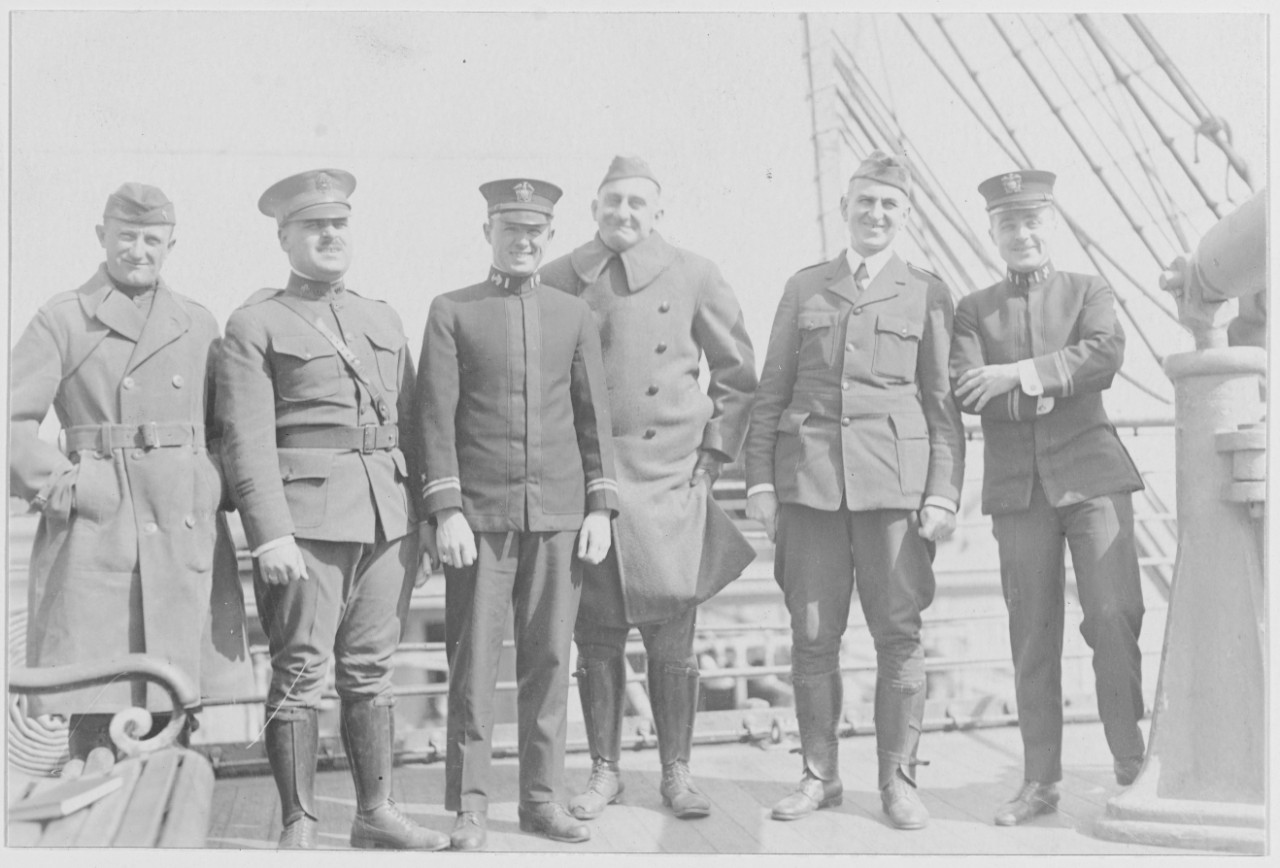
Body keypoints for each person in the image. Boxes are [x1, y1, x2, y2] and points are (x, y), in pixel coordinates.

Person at [217, 169, 447, 851]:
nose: (329, 236)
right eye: (313, 226)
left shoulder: (382, 316)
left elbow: (411, 421)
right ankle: (300, 822)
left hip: (388, 516)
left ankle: (375, 811)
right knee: (300, 670)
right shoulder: (256, 322)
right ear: (284, 237)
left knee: (372, 667)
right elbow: (247, 442)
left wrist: (426, 518)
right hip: (306, 522)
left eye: (339, 224)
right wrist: (269, 534)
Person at [744, 151, 964, 830]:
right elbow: (771, 390)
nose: (875, 214)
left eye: (888, 205)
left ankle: (898, 781)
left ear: (905, 215)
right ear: (846, 208)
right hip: (809, 487)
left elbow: (941, 407)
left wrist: (943, 493)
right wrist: (759, 481)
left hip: (894, 491)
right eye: (865, 202)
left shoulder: (926, 292)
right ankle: (819, 777)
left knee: (899, 634)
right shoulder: (806, 287)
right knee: (812, 636)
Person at [540, 155, 757, 821]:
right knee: (596, 637)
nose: (624, 214)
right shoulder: (559, 277)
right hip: (592, 485)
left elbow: (738, 374)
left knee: (672, 638)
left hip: (670, 480)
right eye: (613, 202)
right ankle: (604, 772)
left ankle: (677, 772)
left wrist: (714, 460)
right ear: (594, 207)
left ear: (658, 211)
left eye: (638, 203)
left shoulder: (694, 273)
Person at [9, 183, 251, 762]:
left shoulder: (197, 322)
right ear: (102, 237)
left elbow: (224, 425)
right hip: (100, 532)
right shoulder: (63, 318)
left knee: (173, 700)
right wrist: (69, 485)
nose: (138, 250)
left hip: (181, 525)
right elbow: (12, 422)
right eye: (126, 237)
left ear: (171, 244)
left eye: (151, 239)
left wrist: (208, 479)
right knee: (98, 701)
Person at [417, 177, 618, 850]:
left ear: (549, 236)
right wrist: (446, 510)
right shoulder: (453, 310)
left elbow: (594, 421)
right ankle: (471, 806)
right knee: (474, 664)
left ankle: (540, 799)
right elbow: (435, 421)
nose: (523, 240)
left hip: (559, 516)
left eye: (535, 231)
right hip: (480, 520)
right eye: (511, 230)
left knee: (551, 663)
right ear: (488, 234)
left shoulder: (573, 314)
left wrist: (600, 506)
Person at [950, 169, 1146, 826]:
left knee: (1114, 616)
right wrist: (1043, 379)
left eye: (1032, 221)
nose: (1022, 234)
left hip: (1092, 477)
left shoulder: (1088, 290)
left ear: (1050, 224)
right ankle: (1040, 781)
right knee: (1032, 632)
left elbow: (1104, 357)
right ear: (993, 233)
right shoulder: (974, 310)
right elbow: (967, 389)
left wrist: (1017, 373)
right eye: (1009, 224)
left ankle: (1129, 759)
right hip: (1018, 489)